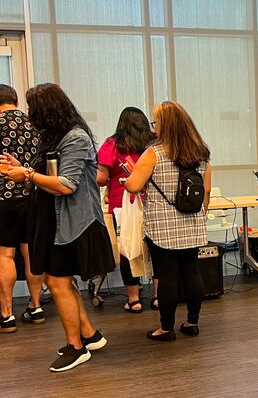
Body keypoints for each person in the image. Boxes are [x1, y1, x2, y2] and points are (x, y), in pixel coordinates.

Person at [1, 83, 115, 372]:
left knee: (59, 281)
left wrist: (25, 173)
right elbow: (47, 176)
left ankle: (76, 347)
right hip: (53, 219)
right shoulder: (54, 137)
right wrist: (24, 170)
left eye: (34, 109)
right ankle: (89, 335)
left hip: (73, 221)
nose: (31, 115)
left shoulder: (75, 138)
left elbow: (66, 184)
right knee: (57, 280)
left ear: (48, 110)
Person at [124, 101, 211, 342]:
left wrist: (127, 179)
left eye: (156, 122)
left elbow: (133, 185)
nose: (154, 127)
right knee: (192, 272)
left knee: (168, 276)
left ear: (166, 125)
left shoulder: (154, 153)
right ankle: (192, 322)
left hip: (162, 227)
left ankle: (166, 328)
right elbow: (206, 193)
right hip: (192, 224)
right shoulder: (201, 154)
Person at [96, 107, 158, 313]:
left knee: (127, 251)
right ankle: (158, 297)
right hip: (152, 203)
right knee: (157, 250)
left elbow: (101, 177)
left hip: (122, 205)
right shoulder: (154, 143)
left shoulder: (112, 144)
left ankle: (134, 300)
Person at [0, 84, 44, 332]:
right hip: (34, 195)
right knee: (31, 253)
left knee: (5, 254)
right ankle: (36, 307)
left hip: (4, 198)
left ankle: (6, 315)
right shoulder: (35, 124)